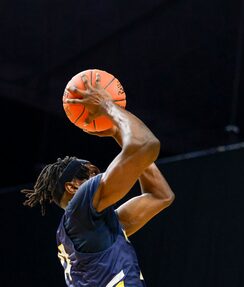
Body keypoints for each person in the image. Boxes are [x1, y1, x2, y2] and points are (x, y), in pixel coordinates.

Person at [21, 72, 175, 287]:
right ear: (73, 186)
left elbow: (160, 196)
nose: (101, 174)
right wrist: (108, 106)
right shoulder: (80, 207)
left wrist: (119, 134)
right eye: (92, 172)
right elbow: (146, 145)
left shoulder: (90, 228)